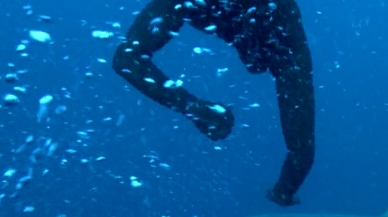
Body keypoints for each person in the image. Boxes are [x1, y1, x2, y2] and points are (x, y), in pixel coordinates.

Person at [112, 0, 315, 206]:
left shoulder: (280, 19)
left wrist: (286, 187)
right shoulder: (280, 18)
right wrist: (193, 108)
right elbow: (127, 59)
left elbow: (301, 150)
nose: (255, 62)